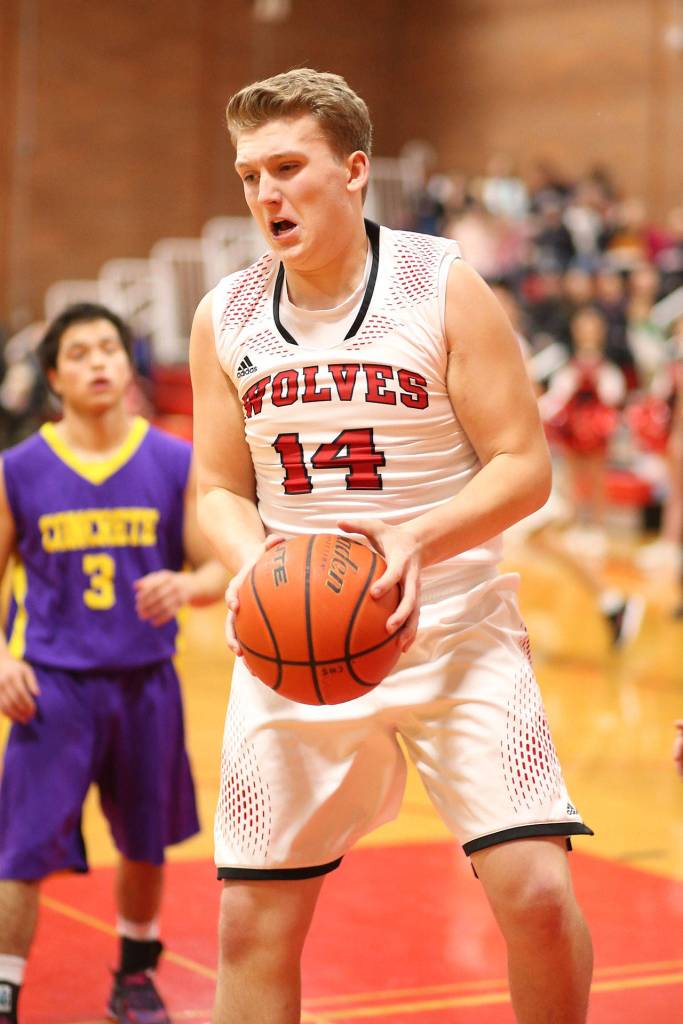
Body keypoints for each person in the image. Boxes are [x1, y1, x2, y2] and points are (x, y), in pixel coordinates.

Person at [190, 69, 594, 1024]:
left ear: (355, 170)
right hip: (295, 639)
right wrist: (255, 565)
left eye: (288, 167)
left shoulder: (440, 283)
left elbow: (520, 465)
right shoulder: (228, 315)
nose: (265, 195)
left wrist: (416, 534)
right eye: (250, 175)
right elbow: (214, 486)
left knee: (536, 897)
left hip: (454, 627)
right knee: (249, 927)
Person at [0, 303, 228, 1024]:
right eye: (79, 353)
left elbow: (218, 567)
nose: (98, 362)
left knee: (145, 843)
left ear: (129, 366)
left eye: (110, 349)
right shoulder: (18, 469)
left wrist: (187, 585)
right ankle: (4, 990)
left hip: (145, 684)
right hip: (52, 689)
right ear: (53, 377)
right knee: (20, 851)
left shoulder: (172, 458)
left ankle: (135, 975)